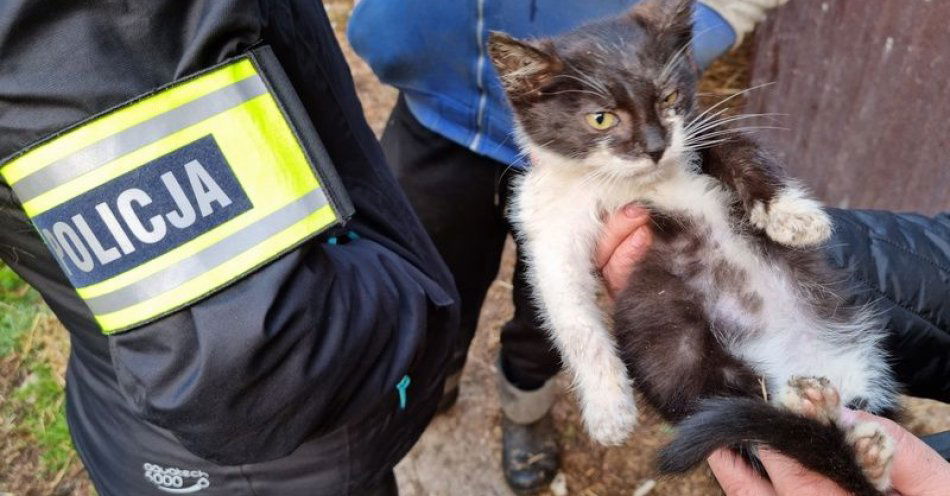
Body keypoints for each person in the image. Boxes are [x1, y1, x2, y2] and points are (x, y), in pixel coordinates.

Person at [0, 1, 463, 494]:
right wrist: (414, 299)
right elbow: (247, 364)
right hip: (272, 463)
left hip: (155, 421)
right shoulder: (96, 21)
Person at [347, 0, 792, 492]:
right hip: (433, 108)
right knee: (423, 285)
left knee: (546, 317)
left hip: (598, 152)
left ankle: (526, 400)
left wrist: (694, 31)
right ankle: (433, 381)